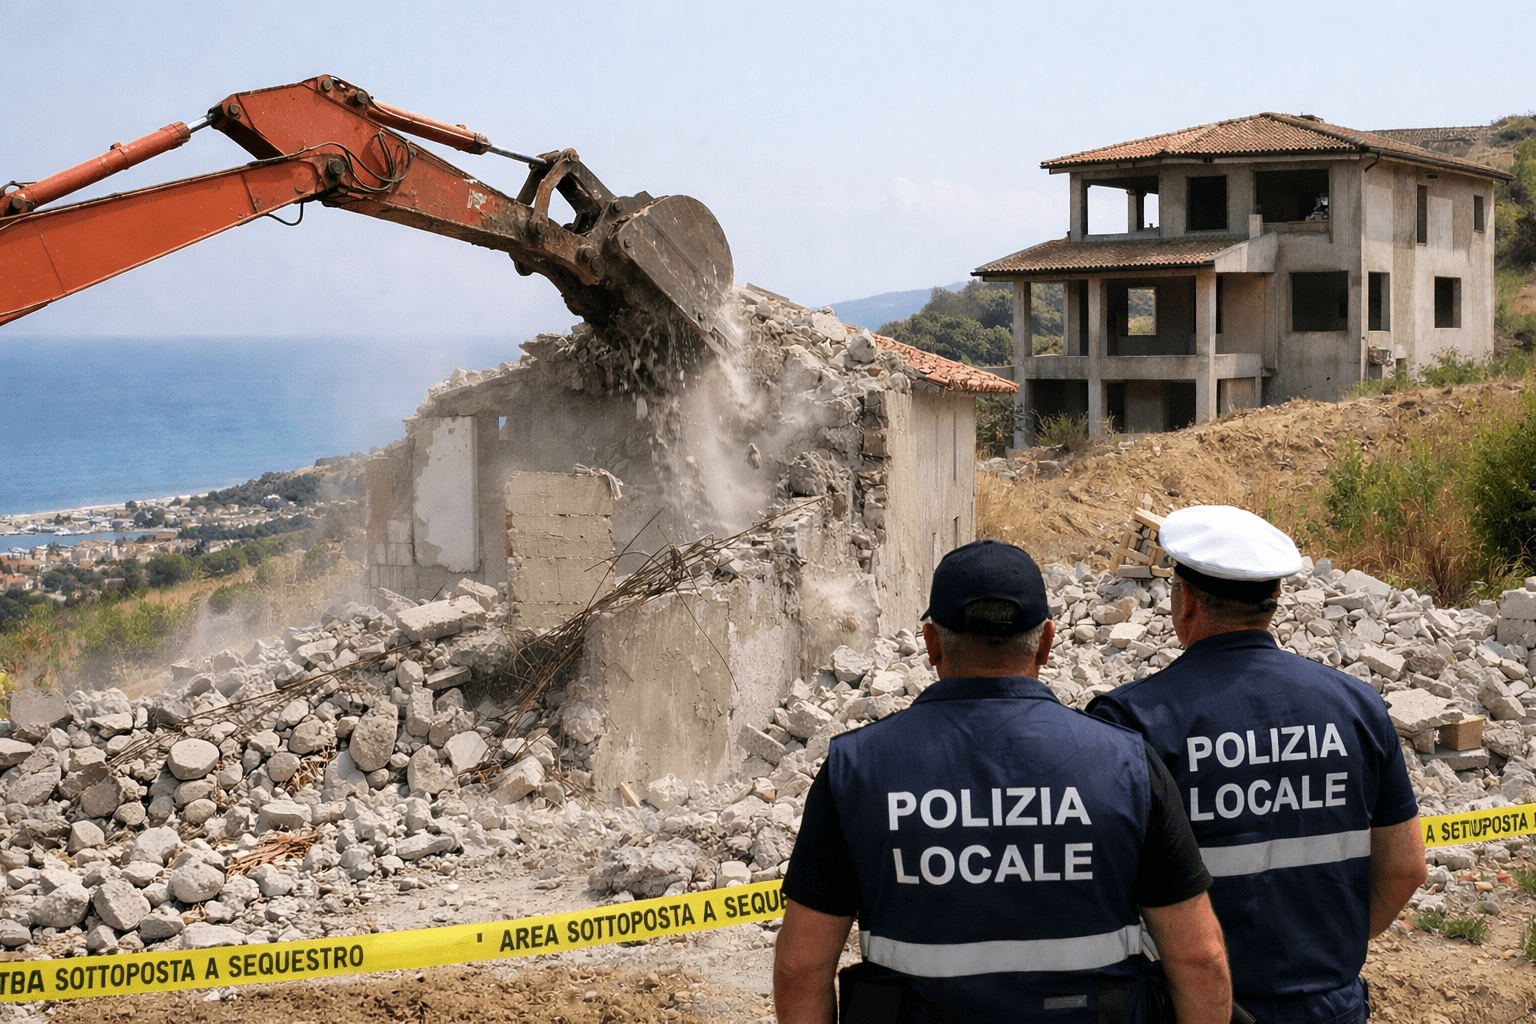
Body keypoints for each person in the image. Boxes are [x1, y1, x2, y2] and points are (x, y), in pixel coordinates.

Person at [774, 539, 1232, 1024]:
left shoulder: (855, 769)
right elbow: (1200, 960)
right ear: (1047, 642)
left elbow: (801, 968)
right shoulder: (1126, 765)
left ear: (930, 643)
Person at [1089, 506, 1427, 1024]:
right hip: (1329, 1006)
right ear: (1274, 600)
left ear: (1185, 601)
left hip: (1196, 1008)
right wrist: (1329, 955)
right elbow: (1406, 867)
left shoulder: (1134, 720)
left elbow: (1101, 893)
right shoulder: (1357, 706)